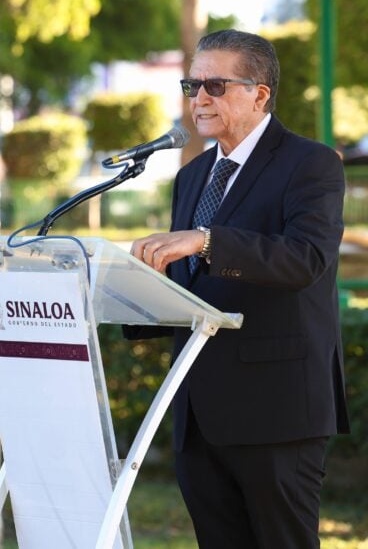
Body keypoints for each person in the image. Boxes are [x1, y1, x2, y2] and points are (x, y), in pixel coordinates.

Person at [127, 29, 349, 548]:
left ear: (260, 93)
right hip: (199, 416)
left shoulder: (309, 164)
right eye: (192, 85)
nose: (199, 98)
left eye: (215, 85)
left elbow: (306, 259)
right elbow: (190, 285)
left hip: (277, 412)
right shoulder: (193, 174)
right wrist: (129, 290)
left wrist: (206, 240)